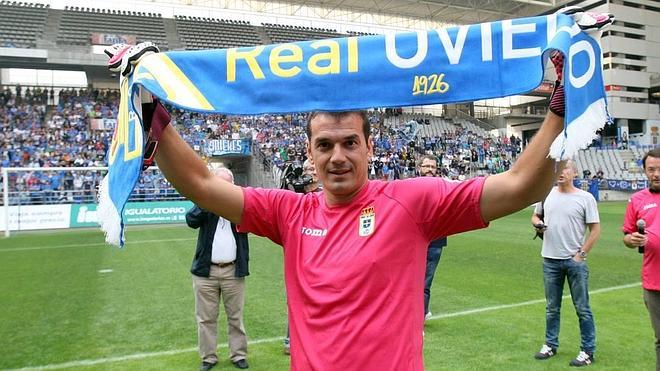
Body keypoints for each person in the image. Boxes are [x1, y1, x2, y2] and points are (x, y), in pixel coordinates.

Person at [113, 41, 570, 370]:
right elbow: (200, 184)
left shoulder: (414, 201)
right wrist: (154, 111)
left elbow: (522, 185)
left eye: (350, 142)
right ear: (309, 154)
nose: (338, 157)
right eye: (325, 145)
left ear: (370, 147)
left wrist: (559, 107)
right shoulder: (290, 214)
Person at [531, 160, 600, 367]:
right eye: (558, 169)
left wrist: (581, 254)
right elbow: (535, 215)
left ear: (574, 172)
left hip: (574, 262)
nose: (561, 172)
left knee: (582, 308)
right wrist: (538, 224)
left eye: (565, 168)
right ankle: (551, 344)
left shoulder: (585, 198)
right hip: (550, 259)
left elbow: (595, 230)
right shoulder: (546, 194)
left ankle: (588, 350)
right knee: (552, 307)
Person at [186, 167, 250, 371]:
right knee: (206, 318)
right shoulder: (206, 203)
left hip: (233, 271)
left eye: (226, 185)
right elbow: (191, 220)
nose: (223, 189)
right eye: (219, 184)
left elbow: (253, 222)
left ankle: (238, 354)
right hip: (206, 272)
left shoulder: (241, 206)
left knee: (235, 317)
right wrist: (209, 201)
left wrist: (232, 204)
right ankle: (208, 357)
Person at [622, 148, 660, 371]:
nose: (656, 174)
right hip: (654, 282)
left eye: (659, 169)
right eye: (651, 169)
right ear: (645, 172)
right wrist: (631, 240)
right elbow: (626, 236)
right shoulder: (637, 200)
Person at [283, 158, 322, 355]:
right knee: (295, 301)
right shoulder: (295, 196)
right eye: (307, 169)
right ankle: (291, 339)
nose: (310, 173)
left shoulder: (327, 195)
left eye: (313, 169)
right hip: (300, 262)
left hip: (324, 263)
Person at [418, 155, 448, 320]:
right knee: (412, 280)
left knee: (426, 281)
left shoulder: (444, 189)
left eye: (433, 167)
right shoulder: (410, 188)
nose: (429, 169)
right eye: (426, 166)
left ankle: (420, 315)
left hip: (435, 243)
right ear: (420, 168)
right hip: (414, 243)